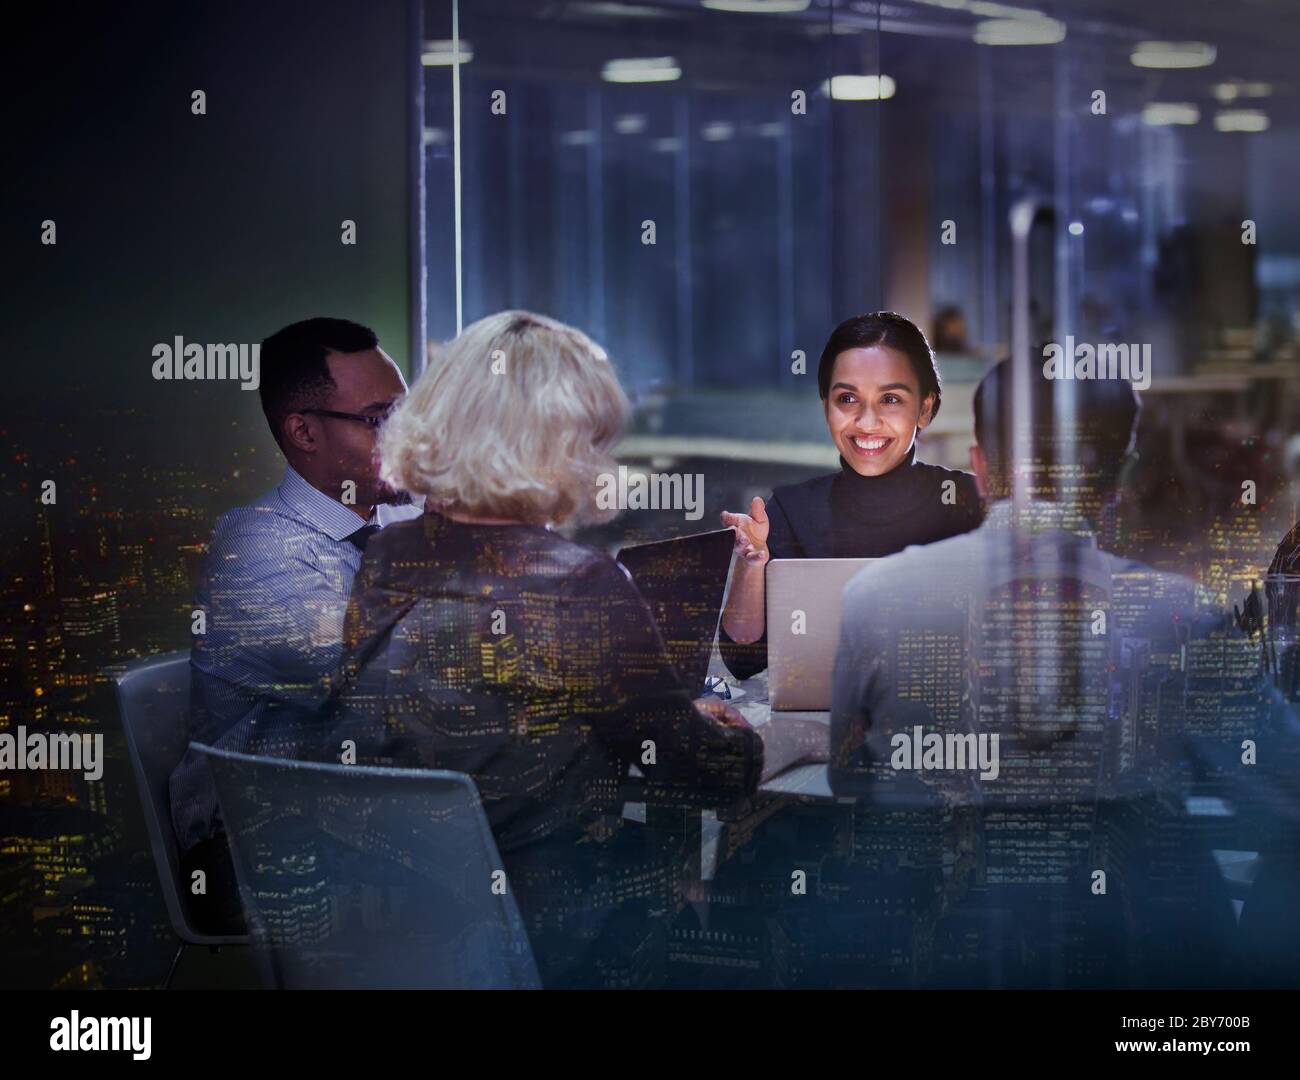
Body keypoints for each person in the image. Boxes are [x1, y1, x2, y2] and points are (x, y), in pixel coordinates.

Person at [316, 311, 765, 987]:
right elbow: (708, 772)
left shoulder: (387, 554)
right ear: (556, 445)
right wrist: (740, 733)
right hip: (556, 933)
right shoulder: (575, 583)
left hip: (409, 932)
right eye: (590, 439)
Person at [828, 358, 1295, 986]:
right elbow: (1282, 790)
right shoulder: (1184, 617)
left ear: (981, 466)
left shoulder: (872, 595)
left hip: (933, 955)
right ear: (1119, 479)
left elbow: (847, 780)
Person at [168, 317, 423, 934]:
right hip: (261, 846)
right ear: (304, 432)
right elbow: (386, 685)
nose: (408, 439)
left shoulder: (406, 522)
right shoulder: (256, 552)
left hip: (383, 815)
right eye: (378, 420)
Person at [718, 312, 982, 680]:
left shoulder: (971, 503)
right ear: (826, 405)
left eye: (890, 399)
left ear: (924, 407)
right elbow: (742, 660)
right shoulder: (791, 510)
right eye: (847, 399)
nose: (867, 422)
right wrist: (752, 565)